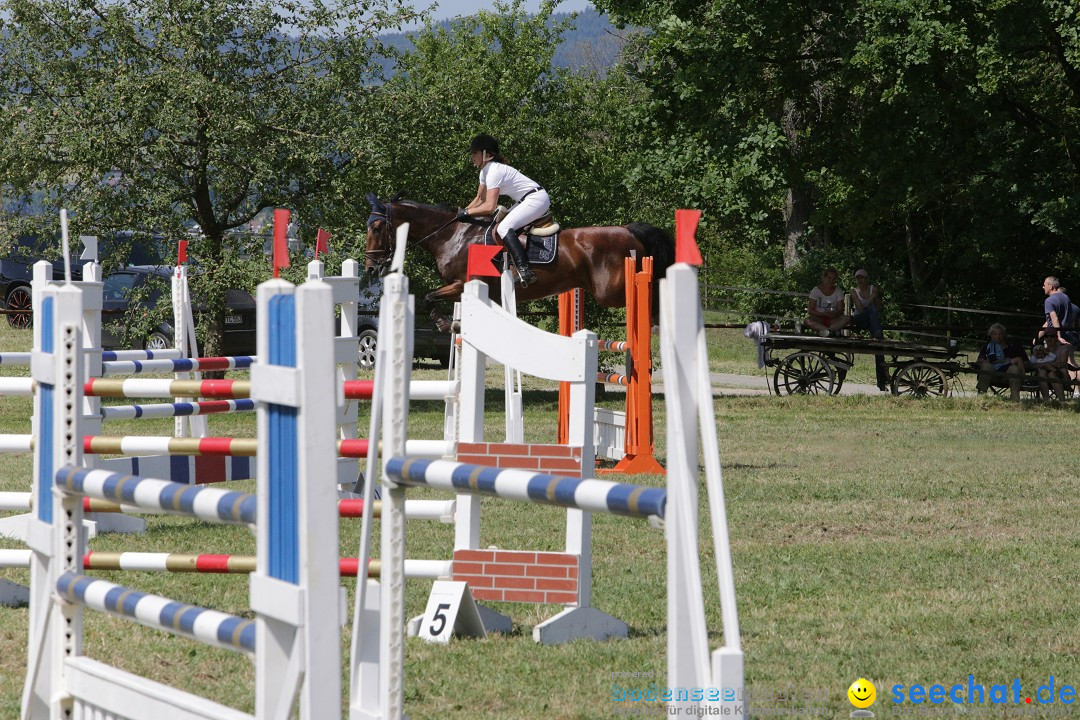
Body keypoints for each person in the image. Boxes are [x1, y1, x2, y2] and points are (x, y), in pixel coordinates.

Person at [457, 133, 550, 287]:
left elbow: (489, 206)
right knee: (497, 224)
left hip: (536, 199)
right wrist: (461, 212)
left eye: (475, 152)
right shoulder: (484, 172)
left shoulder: (494, 171)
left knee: (504, 228)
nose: (472, 156)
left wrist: (467, 213)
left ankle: (524, 270)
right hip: (525, 200)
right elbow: (479, 199)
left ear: (487, 154)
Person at [850, 268, 888, 391]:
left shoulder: (873, 289)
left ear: (866, 278)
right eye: (858, 277)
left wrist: (875, 298)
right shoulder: (854, 291)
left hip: (872, 322)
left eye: (863, 277)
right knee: (871, 311)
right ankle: (877, 333)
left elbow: (878, 307)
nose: (860, 280)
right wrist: (871, 298)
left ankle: (882, 382)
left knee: (879, 350)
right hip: (860, 320)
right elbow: (860, 309)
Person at [976, 323, 1026, 400]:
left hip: (1008, 375)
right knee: (986, 365)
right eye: (995, 334)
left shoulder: (1013, 347)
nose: (998, 336)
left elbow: (1025, 362)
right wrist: (987, 360)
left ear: (1004, 335)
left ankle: (1015, 398)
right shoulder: (988, 346)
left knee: (1015, 368)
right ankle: (981, 397)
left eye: (1000, 334)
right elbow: (979, 360)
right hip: (992, 373)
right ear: (991, 335)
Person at [805, 267, 850, 336]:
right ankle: (830, 331)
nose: (831, 281)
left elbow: (841, 309)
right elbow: (810, 310)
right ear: (824, 278)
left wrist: (835, 314)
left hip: (833, 319)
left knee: (847, 318)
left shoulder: (838, 290)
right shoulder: (816, 290)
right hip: (819, 319)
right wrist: (823, 314)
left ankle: (827, 331)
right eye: (829, 278)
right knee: (807, 321)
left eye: (834, 278)